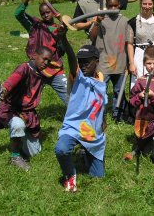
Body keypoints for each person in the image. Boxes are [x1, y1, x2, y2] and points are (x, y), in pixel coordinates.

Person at [54, 26, 107, 193]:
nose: (83, 65)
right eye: (81, 61)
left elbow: (101, 102)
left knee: (98, 176)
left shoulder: (100, 79)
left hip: (91, 131)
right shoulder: (78, 77)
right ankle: (70, 174)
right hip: (74, 125)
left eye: (87, 61)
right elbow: (71, 57)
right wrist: (64, 39)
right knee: (61, 149)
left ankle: (86, 152)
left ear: (96, 61)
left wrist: (103, 119)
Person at [0, 46, 53, 171]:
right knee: (18, 124)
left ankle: (19, 139)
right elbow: (11, 81)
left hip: (27, 114)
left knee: (34, 152)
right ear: (35, 55)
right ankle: (15, 157)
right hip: (11, 110)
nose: (46, 63)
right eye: (44, 59)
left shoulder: (40, 74)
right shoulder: (24, 68)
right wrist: (4, 90)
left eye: (48, 60)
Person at [14, 0, 67, 105]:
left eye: (48, 12)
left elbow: (63, 49)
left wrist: (61, 34)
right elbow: (18, 14)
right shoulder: (34, 26)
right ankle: (23, 116)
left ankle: (78, 119)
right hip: (36, 69)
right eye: (43, 13)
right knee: (26, 98)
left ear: (53, 12)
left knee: (69, 97)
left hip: (54, 68)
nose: (45, 15)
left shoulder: (58, 28)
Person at [89, 0, 129, 122]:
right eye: (110, 6)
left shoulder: (125, 21)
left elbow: (129, 43)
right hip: (104, 62)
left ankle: (118, 115)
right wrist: (97, 22)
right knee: (100, 90)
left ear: (119, 5)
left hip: (120, 62)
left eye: (115, 5)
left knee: (119, 91)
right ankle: (100, 115)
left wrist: (129, 62)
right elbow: (92, 37)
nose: (112, 8)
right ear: (106, 6)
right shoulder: (100, 19)